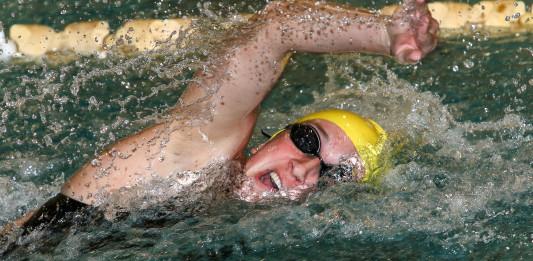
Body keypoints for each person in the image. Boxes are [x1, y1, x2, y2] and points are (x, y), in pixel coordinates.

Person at [3, 0, 438, 235]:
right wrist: (383, 33)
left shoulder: (236, 231)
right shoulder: (192, 155)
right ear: (275, 135)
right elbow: (276, 27)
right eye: (308, 141)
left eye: (334, 176)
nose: (303, 170)